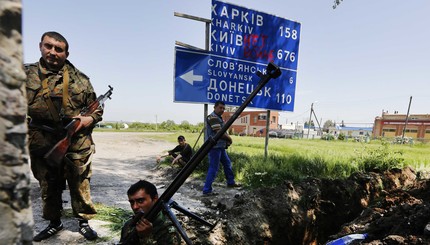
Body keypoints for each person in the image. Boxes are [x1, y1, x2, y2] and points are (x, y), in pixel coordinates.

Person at [25, 31, 102, 241]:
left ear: (66, 53)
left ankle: (84, 221)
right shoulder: (24, 74)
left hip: (76, 140)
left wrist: (86, 120)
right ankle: (54, 222)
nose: (52, 52)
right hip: (42, 141)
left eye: (58, 49)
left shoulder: (81, 80)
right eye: (48, 46)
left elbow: (97, 111)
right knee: (49, 184)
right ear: (40, 46)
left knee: (80, 182)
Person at [120, 180, 181, 244]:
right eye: (132, 202)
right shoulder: (129, 225)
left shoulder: (168, 229)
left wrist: (146, 237)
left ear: (155, 199)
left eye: (140, 201)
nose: (135, 207)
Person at [202, 101, 241, 196]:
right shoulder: (213, 117)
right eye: (220, 108)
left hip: (220, 146)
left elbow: (222, 131)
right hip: (214, 147)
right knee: (214, 168)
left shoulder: (218, 118)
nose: (222, 110)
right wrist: (229, 139)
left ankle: (231, 182)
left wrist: (226, 141)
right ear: (214, 107)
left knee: (227, 163)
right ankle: (207, 190)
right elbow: (219, 132)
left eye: (223, 108)